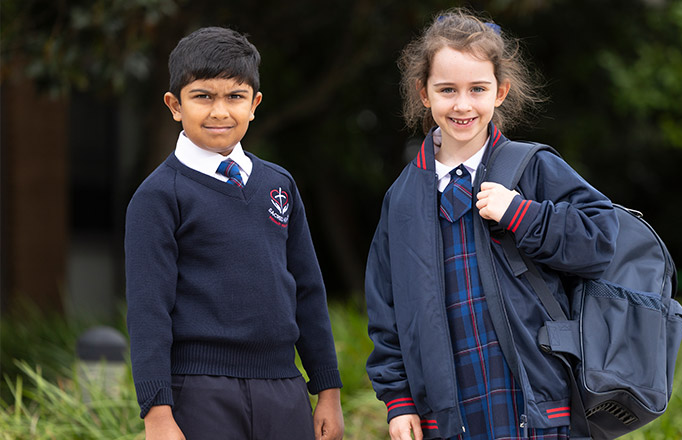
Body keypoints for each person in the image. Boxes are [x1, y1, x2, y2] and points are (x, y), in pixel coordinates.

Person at [364, 9, 619, 440]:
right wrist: (399, 401)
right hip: (448, 417)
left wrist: (524, 214)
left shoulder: (533, 167)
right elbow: (385, 308)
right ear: (423, 94)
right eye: (447, 90)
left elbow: (599, 242)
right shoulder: (402, 199)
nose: (462, 104)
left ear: (500, 92)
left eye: (477, 89)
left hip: (541, 407)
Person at [125, 26, 344, 440]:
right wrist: (157, 413)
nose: (220, 112)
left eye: (235, 97)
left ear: (255, 104)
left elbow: (309, 291)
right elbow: (147, 311)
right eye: (203, 96)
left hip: (284, 389)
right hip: (199, 393)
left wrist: (327, 391)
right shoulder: (157, 196)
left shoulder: (280, 185)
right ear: (174, 105)